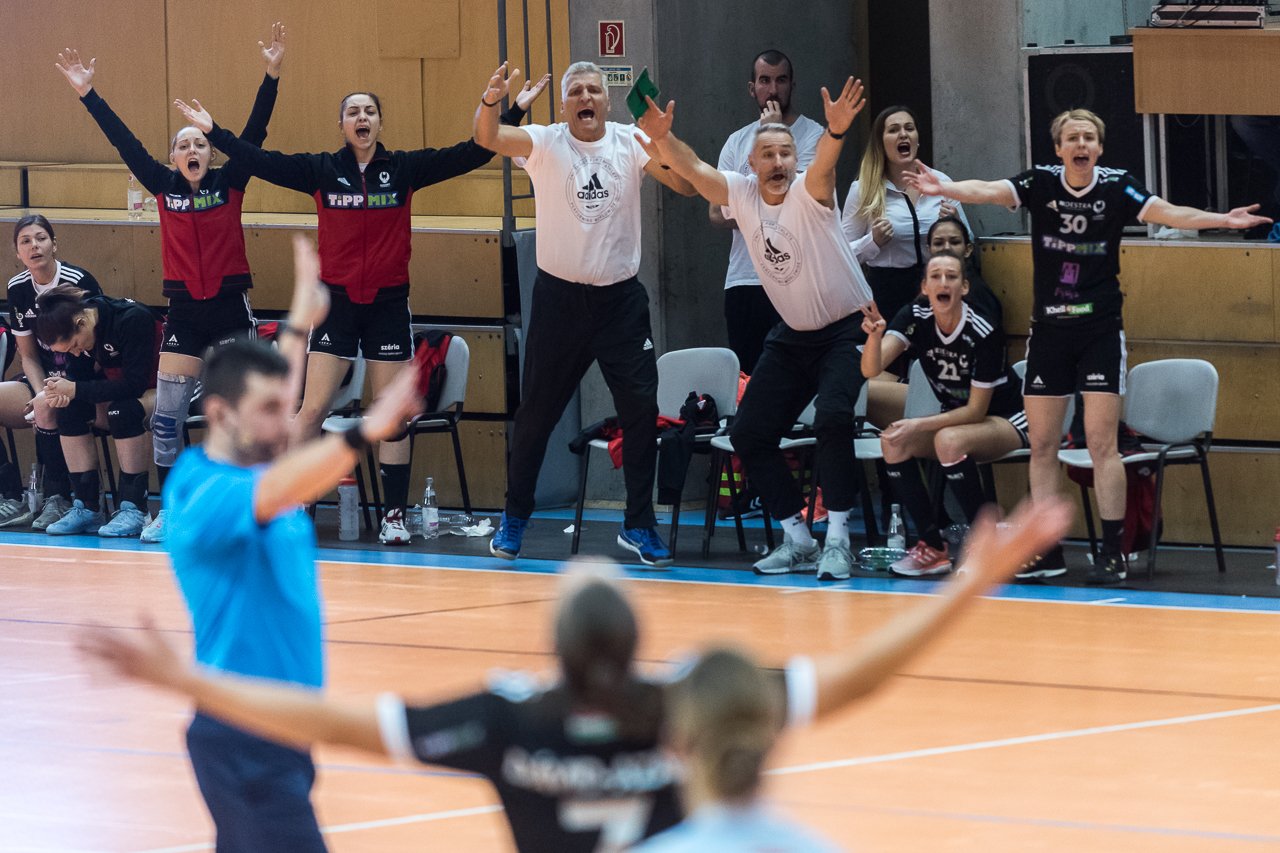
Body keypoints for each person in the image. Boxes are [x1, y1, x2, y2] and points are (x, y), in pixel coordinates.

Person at [78, 496, 1073, 852]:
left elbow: (327, 719)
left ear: (552, 646)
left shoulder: (507, 721)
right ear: (637, 641)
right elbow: (858, 676)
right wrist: (971, 582)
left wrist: (188, 679)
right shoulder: (687, 701)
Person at [173, 74, 546, 547]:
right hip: (336, 306)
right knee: (311, 410)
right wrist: (215, 133)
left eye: (369, 111)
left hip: (388, 305)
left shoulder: (403, 169)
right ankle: (294, 506)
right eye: (353, 112)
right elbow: (259, 161)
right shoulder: (321, 170)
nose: (361, 117)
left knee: (391, 416)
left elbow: (471, 153)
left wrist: (510, 112)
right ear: (342, 125)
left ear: (379, 122)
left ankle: (394, 516)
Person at [907, 108, 1270, 583]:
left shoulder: (1117, 185)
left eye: (1088, 138)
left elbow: (1167, 212)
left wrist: (1222, 219)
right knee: (1042, 445)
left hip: (1099, 332)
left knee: (1101, 445)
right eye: (1072, 138)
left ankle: (1113, 553)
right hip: (1049, 332)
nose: (1081, 144)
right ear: (1059, 148)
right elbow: (991, 190)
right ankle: (1048, 552)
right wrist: (946, 188)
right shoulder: (1041, 182)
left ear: (1099, 148)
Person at [167, 237, 423, 850]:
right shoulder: (203, 490)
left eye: (286, 408)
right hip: (243, 734)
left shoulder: (253, 456)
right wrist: (366, 431)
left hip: (283, 729)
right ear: (221, 414)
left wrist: (300, 325)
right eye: (269, 410)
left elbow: (272, 407)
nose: (285, 422)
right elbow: (284, 483)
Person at [637, 78, 875, 581]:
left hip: (846, 329)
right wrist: (662, 138)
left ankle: (837, 540)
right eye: (768, 154)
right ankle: (797, 538)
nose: (778, 162)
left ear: (796, 160)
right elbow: (693, 169)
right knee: (748, 433)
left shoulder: (810, 191)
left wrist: (835, 133)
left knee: (833, 417)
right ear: (751, 163)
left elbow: (825, 165)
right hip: (794, 335)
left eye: (786, 153)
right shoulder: (741, 193)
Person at [56, 25, 287, 543]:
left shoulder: (231, 182)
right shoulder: (162, 187)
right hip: (183, 312)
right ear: (173, 157)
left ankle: (251, 508)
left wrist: (271, 75)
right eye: (183, 144)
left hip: (230, 309)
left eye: (199, 143)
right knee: (165, 419)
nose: (192, 148)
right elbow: (125, 143)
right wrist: (87, 93)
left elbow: (254, 134)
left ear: (211, 153)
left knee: (244, 416)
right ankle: (174, 510)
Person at [471, 61, 698, 567]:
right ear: (564, 105)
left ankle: (638, 524)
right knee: (536, 415)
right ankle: (515, 517)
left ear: (607, 101)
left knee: (641, 411)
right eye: (576, 91)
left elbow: (687, 187)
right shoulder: (545, 141)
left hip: (620, 304)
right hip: (560, 302)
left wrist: (663, 141)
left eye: (594, 89)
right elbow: (486, 137)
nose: (586, 97)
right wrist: (489, 102)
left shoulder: (630, 141)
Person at [861, 251, 1027, 577]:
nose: (943, 282)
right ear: (925, 287)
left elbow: (976, 410)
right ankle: (932, 546)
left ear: (964, 287)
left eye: (951, 276)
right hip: (959, 419)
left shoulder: (983, 329)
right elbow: (870, 369)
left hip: (1009, 418)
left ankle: (986, 545)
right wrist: (874, 337)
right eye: (935, 276)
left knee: (948, 440)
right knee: (893, 440)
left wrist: (919, 423)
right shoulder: (915, 315)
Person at [713, 49, 824, 375]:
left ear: (792, 85)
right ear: (752, 88)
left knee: (796, 378)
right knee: (749, 380)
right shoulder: (736, 142)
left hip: (796, 279)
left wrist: (773, 136)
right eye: (765, 81)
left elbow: (794, 202)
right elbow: (716, 213)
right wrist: (758, 205)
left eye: (781, 80)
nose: (773, 90)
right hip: (744, 280)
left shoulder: (813, 136)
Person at [34, 286, 163, 536]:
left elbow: (134, 385)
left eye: (74, 345)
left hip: (164, 386)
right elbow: (79, 379)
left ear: (82, 323)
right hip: (127, 390)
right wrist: (61, 393)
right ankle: (88, 508)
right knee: (69, 410)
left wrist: (75, 389)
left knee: (123, 411)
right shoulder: (81, 334)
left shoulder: (131, 318)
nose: (76, 352)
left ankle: (135, 509)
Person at [1, 215, 103, 529]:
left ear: (54, 244)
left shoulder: (78, 280)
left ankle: (58, 498)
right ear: (18, 252)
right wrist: (41, 390)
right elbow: (29, 355)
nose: (34, 246)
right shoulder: (17, 288)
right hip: (41, 377)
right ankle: (10, 497)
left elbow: (96, 347)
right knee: (36, 401)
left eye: (41, 238)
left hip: (81, 375)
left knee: (47, 407)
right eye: (26, 241)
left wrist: (57, 390)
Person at [842, 106, 972, 326]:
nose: (903, 134)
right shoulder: (863, 189)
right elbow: (843, 256)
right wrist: (872, 242)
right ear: (881, 142)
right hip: (887, 291)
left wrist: (955, 223)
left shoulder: (941, 183)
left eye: (909, 128)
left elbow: (970, 242)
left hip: (936, 287)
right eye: (894, 130)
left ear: (917, 139)